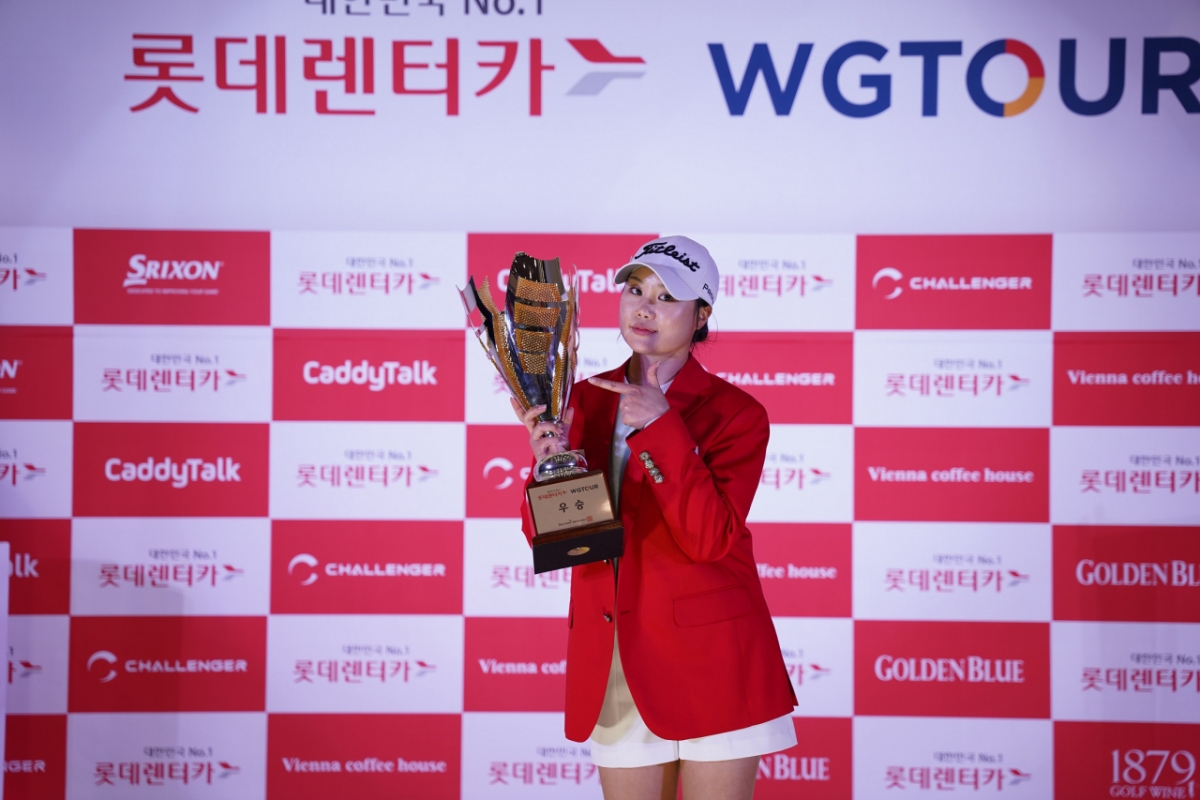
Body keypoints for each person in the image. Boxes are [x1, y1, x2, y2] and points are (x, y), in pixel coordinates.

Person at [514, 236, 797, 800]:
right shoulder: (583, 400)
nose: (644, 307)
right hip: (615, 658)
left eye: (668, 297)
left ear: (701, 317)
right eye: (636, 289)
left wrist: (664, 426)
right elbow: (570, 544)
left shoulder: (737, 414)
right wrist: (551, 470)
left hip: (714, 657)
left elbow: (709, 538)